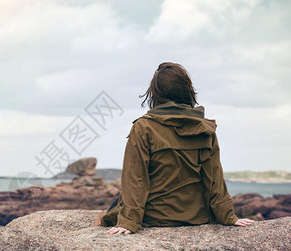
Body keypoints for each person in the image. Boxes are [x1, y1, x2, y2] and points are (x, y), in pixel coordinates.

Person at [96, 62, 255, 235]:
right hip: (196, 216)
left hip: (154, 217)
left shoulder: (144, 127)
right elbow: (214, 179)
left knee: (103, 216)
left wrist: (128, 222)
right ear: (187, 91)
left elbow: (136, 178)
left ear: (155, 93)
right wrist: (228, 216)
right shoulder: (205, 128)